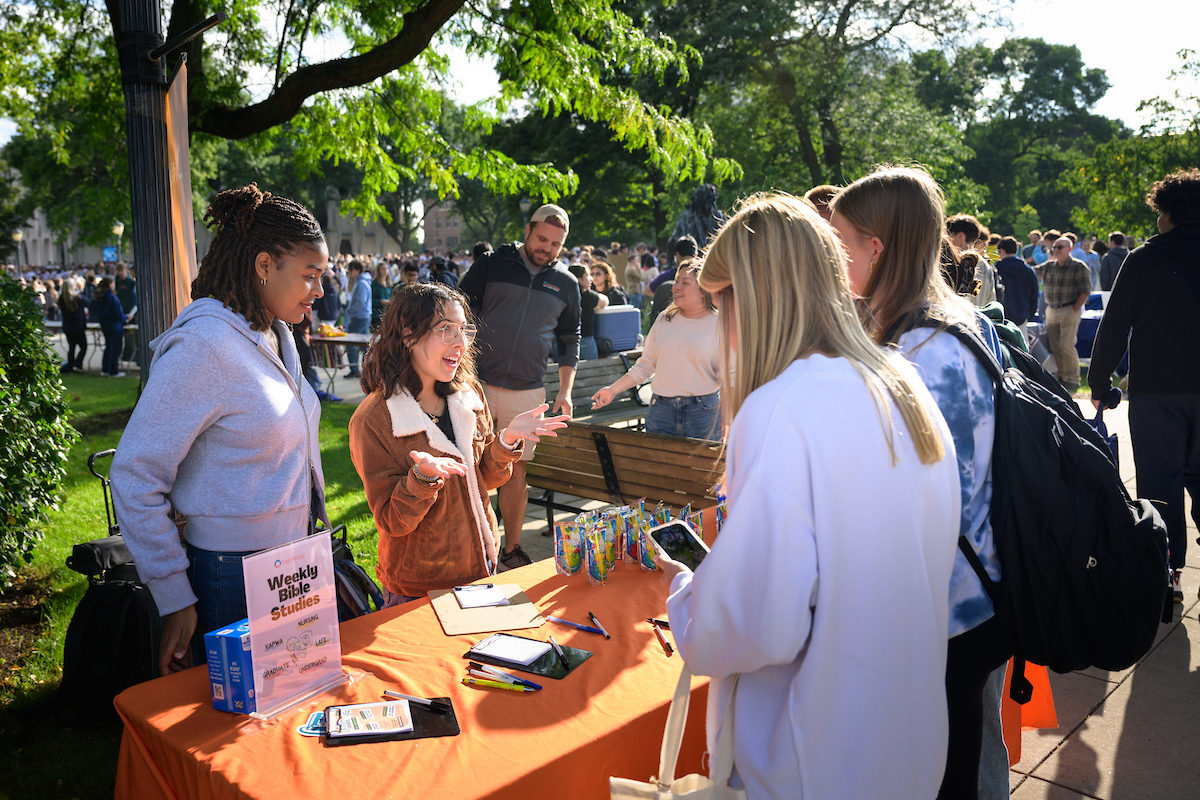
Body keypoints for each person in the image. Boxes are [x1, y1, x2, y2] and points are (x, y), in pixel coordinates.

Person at [659, 192, 960, 800]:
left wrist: (688, 591)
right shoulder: (898, 380)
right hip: (903, 739)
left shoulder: (781, 408)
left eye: (724, 302)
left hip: (811, 755)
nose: (723, 321)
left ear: (755, 295)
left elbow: (754, 626)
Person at [829, 166, 1009, 800]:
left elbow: (920, 498)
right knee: (977, 750)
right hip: (978, 589)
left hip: (943, 608)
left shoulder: (917, 352)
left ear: (876, 248)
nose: (834, 256)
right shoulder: (959, 321)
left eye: (840, 241)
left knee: (952, 769)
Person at [110, 183, 330, 676]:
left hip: (292, 563)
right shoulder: (203, 346)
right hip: (230, 576)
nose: (320, 291)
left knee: (290, 716)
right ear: (264, 265)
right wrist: (174, 596)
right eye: (310, 276)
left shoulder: (276, 335)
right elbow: (135, 474)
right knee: (235, 733)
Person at [348, 283, 567, 604]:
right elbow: (392, 521)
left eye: (464, 329)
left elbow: (485, 480)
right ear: (408, 335)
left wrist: (507, 441)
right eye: (447, 330)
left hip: (483, 567)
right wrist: (422, 480)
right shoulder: (374, 418)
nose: (461, 342)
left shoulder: (469, 394)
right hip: (419, 589)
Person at [1090, 168, 1200, 602]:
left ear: (1168, 213)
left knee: (1159, 484)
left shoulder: (1144, 259)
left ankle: (1167, 573)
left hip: (1157, 392)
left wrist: (1099, 382)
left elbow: (1114, 328)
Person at [458, 203, 580, 570]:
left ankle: (511, 549)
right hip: (473, 383)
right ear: (527, 229)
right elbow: (458, 312)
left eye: (556, 244)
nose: (547, 248)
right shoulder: (492, 264)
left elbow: (569, 339)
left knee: (514, 471)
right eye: (542, 238)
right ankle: (474, 544)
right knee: (467, 465)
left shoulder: (567, 284)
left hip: (527, 391)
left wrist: (565, 390)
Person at [592, 260, 721, 439]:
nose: (677, 287)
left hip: (704, 413)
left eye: (685, 282)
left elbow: (729, 377)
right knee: (656, 465)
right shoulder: (664, 319)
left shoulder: (720, 323)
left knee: (699, 467)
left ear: (704, 289)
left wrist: (729, 418)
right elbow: (645, 366)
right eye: (676, 281)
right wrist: (613, 390)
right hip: (661, 410)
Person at [1034, 236, 1092, 392]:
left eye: (1060, 247)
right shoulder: (1049, 266)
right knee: (1055, 346)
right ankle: (1063, 377)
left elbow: (1086, 290)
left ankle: (1073, 379)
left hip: (1069, 308)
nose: (1056, 250)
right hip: (1051, 309)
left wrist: (1074, 309)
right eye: (1055, 247)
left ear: (1070, 249)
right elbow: (1031, 271)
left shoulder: (1078, 267)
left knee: (1067, 345)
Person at [994, 235, 1039, 339]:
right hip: (1021, 317)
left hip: (1000, 319)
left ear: (1002, 251)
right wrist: (1029, 315)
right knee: (1021, 351)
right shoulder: (1028, 270)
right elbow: (1034, 294)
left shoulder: (996, 269)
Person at [568, 263, 608, 360]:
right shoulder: (586, 295)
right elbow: (605, 301)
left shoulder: (560, 294)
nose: (591, 279)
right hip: (584, 341)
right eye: (588, 275)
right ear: (578, 278)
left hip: (560, 342)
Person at [91, 276, 127, 377]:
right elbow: (118, 314)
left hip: (104, 324)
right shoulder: (112, 298)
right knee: (115, 348)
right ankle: (113, 371)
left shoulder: (98, 297)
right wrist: (125, 318)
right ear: (110, 284)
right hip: (115, 325)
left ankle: (105, 369)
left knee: (108, 347)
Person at [344, 260, 372, 378]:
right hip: (363, 316)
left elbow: (360, 301)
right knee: (364, 345)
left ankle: (354, 369)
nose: (349, 272)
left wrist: (351, 311)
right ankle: (367, 369)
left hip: (359, 316)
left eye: (351, 270)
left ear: (357, 269)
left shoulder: (361, 283)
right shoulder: (363, 281)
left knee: (351, 343)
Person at [58, 276, 88, 372]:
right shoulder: (77, 298)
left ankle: (70, 365)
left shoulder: (62, 299)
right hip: (77, 327)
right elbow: (87, 304)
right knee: (83, 346)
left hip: (68, 327)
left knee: (72, 347)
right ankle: (78, 363)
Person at [115, 262, 138, 366]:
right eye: (118, 270)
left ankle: (131, 358)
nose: (120, 272)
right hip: (120, 313)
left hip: (130, 313)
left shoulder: (131, 283)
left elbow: (135, 301)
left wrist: (131, 313)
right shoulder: (117, 282)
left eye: (122, 270)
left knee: (131, 338)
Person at [371, 264, 393, 330]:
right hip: (377, 314)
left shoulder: (389, 283)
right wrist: (380, 301)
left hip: (387, 313)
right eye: (383, 269)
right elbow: (371, 300)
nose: (385, 271)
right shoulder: (375, 283)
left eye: (386, 268)